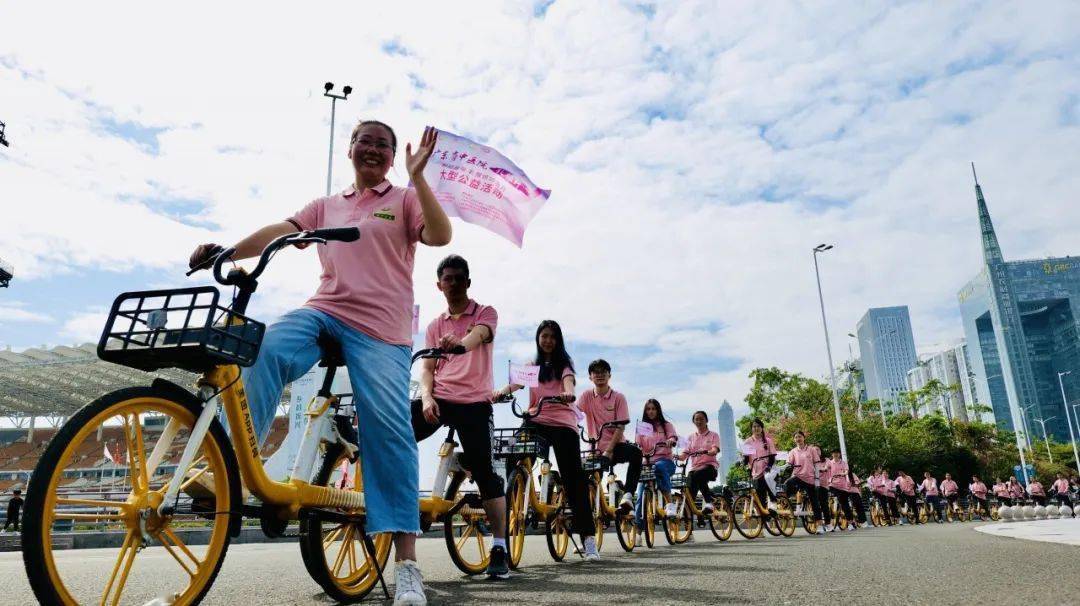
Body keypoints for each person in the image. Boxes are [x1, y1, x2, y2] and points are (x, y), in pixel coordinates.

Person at [188, 122, 451, 606]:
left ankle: (407, 564)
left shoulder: (406, 198)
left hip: (382, 330)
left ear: (393, 157)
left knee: (388, 426)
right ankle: (228, 470)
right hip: (325, 311)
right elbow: (281, 232)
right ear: (350, 149)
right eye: (364, 140)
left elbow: (439, 234)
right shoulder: (325, 206)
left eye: (382, 144)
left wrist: (420, 179)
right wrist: (227, 250)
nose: (372, 148)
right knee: (259, 349)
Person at [411, 254, 507, 579]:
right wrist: (426, 396)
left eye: (458, 278)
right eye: (446, 279)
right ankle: (409, 504)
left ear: (468, 281)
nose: (452, 283)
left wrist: (460, 346)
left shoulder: (485, 312)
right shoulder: (434, 325)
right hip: (439, 399)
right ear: (438, 285)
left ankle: (499, 547)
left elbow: (479, 335)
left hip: (474, 403)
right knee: (395, 434)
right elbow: (426, 368)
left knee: (485, 472)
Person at [494, 320, 599, 560]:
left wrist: (568, 393)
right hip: (536, 420)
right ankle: (517, 496)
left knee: (574, 478)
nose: (548, 340)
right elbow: (516, 384)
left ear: (558, 340)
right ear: (538, 339)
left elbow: (569, 381)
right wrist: (500, 391)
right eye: (544, 336)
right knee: (512, 455)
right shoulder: (533, 366)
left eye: (552, 336)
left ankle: (588, 539)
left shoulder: (564, 364)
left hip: (563, 422)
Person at [578, 359, 640, 514]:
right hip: (595, 449)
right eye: (596, 372)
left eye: (603, 372)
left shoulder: (618, 397)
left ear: (609, 375)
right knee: (580, 475)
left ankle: (627, 495)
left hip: (616, 446)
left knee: (636, 453)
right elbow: (574, 414)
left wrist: (609, 450)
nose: (599, 375)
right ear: (590, 377)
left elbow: (621, 426)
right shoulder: (586, 396)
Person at [634, 399, 678, 532]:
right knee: (640, 497)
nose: (651, 411)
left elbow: (673, 437)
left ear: (658, 410)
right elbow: (637, 443)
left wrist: (671, 440)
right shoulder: (642, 427)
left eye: (653, 409)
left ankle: (669, 503)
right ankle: (638, 532)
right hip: (647, 465)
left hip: (665, 462)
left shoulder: (666, 425)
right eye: (648, 409)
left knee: (659, 466)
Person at [680, 411, 720, 524]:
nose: (699, 421)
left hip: (710, 467)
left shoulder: (713, 435)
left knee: (698, 475)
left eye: (701, 419)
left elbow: (715, 450)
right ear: (693, 421)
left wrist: (709, 451)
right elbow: (685, 454)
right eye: (696, 419)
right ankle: (693, 525)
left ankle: (709, 502)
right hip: (694, 469)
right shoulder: (691, 437)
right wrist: (677, 456)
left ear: (706, 420)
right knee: (688, 496)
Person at [784, 431, 826, 534]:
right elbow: (788, 464)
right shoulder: (793, 451)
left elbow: (816, 465)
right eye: (796, 437)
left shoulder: (811, 450)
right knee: (787, 483)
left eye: (800, 437)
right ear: (794, 439)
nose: (798, 439)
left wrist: (817, 480)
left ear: (804, 438)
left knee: (814, 501)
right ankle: (789, 503)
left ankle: (819, 526)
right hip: (797, 476)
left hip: (810, 478)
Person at [742, 418, 777, 514]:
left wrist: (769, 466)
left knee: (768, 480)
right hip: (755, 471)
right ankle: (764, 516)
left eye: (758, 426)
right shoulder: (747, 442)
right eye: (754, 427)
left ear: (762, 428)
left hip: (768, 469)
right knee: (759, 495)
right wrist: (743, 465)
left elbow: (772, 456)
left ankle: (773, 504)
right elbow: (746, 458)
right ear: (751, 429)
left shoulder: (768, 441)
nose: (756, 428)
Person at [825, 449, 856, 531]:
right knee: (828, 500)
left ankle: (850, 523)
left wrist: (843, 473)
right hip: (832, 485)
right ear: (832, 454)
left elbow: (846, 471)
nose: (835, 454)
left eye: (837, 453)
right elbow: (826, 469)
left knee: (845, 504)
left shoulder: (844, 463)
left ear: (839, 454)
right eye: (834, 453)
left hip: (842, 486)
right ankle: (829, 523)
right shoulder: (830, 462)